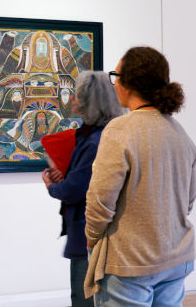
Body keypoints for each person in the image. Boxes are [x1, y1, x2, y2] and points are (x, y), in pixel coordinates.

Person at [84, 46, 196, 305]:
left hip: (130, 262)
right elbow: (187, 202)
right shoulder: (179, 133)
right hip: (176, 257)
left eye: (116, 76)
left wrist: (91, 239)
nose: (114, 84)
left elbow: (101, 200)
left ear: (128, 83)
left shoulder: (121, 129)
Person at [40, 71, 123, 307]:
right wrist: (64, 177)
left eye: (76, 97)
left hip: (90, 232)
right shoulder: (100, 135)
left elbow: (76, 188)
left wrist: (53, 186)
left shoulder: (95, 141)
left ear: (90, 102)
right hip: (96, 230)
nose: (72, 101)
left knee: (83, 297)